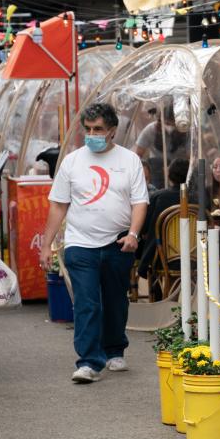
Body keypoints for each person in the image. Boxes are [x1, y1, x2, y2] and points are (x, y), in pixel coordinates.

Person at [40, 103, 148, 384]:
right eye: (87, 129)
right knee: (87, 303)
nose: (92, 134)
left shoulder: (129, 161)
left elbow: (139, 202)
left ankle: (114, 349)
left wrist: (133, 234)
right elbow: (58, 205)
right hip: (80, 243)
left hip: (118, 243)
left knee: (115, 302)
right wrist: (47, 244)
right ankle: (88, 361)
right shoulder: (72, 161)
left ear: (112, 131)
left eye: (98, 129)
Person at [138, 157, 190, 279]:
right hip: (195, 256)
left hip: (163, 257)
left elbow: (144, 229)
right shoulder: (199, 199)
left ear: (169, 175)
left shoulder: (159, 197)